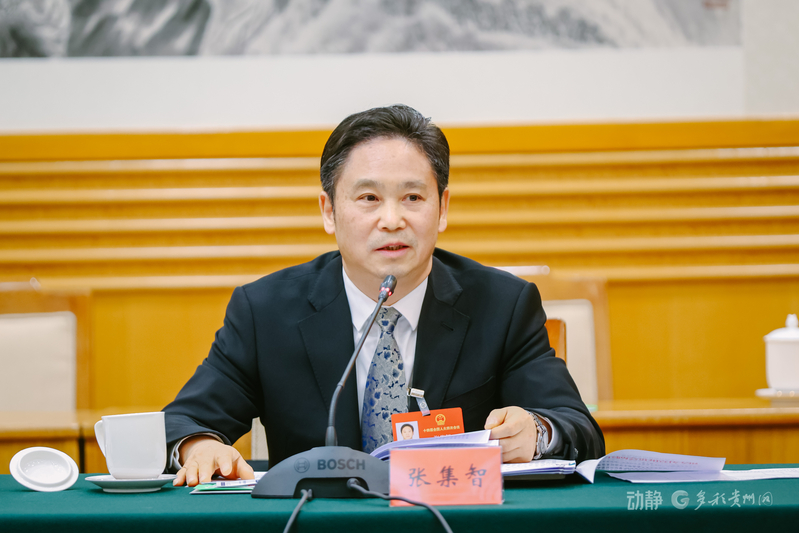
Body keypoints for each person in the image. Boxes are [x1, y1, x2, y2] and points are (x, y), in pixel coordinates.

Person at [164, 104, 604, 487]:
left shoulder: (502, 306)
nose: (392, 220)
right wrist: (199, 446)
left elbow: (578, 428)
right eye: (369, 198)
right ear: (329, 211)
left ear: (442, 208)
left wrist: (537, 433)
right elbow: (182, 422)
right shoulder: (265, 312)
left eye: (412, 197)